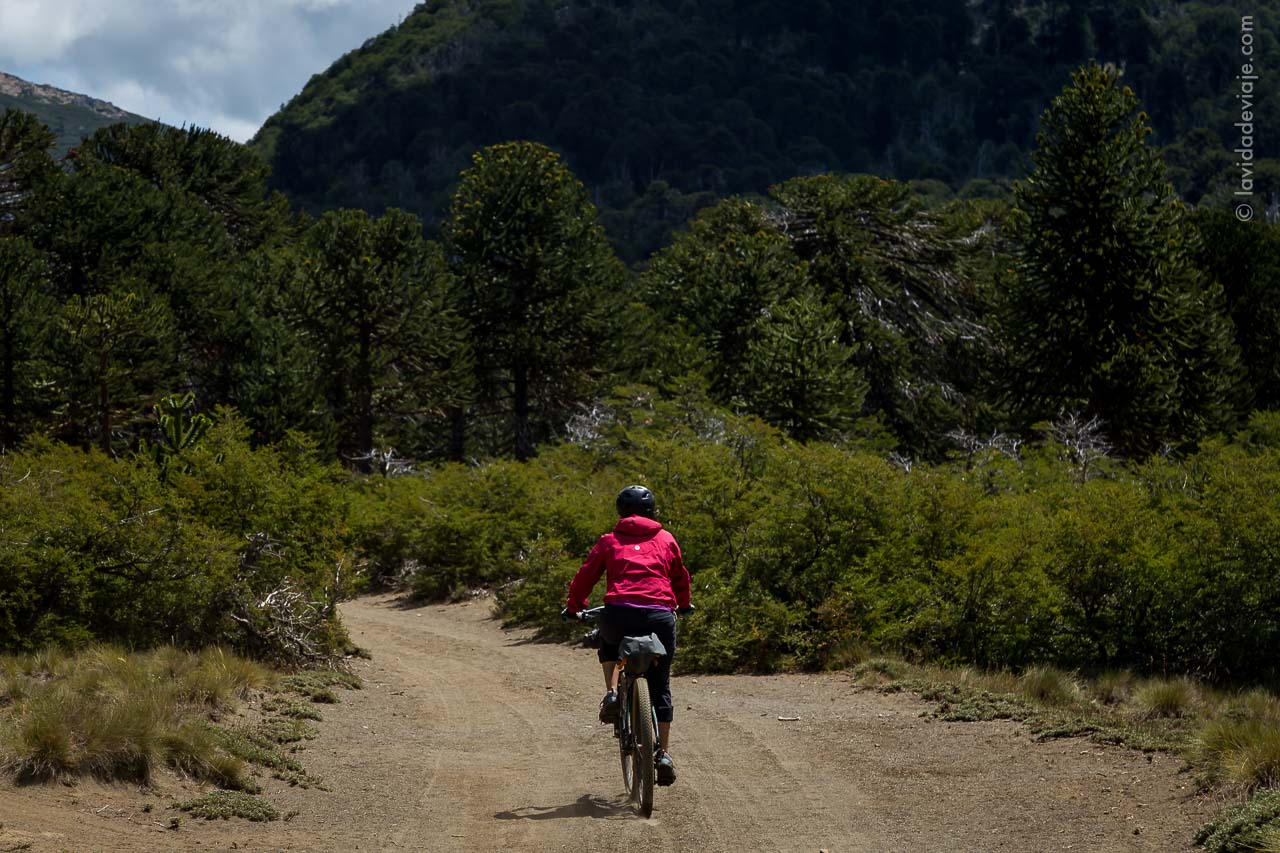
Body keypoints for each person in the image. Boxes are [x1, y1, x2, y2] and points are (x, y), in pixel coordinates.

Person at [563, 484, 692, 785]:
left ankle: (611, 694)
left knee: (608, 645)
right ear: (653, 511)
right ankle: (663, 754)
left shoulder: (609, 541)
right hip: (660, 616)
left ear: (621, 512)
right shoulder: (666, 539)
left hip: (619, 613)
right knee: (661, 685)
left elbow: (585, 576)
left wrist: (574, 607)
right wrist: (683, 605)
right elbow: (680, 576)